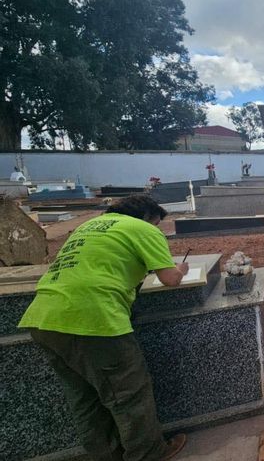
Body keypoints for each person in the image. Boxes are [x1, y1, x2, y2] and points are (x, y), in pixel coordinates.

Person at [18, 194, 190, 461]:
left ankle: (107, 455)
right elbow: (169, 279)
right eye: (156, 224)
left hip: (43, 318)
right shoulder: (143, 229)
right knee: (128, 394)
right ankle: (148, 454)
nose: (157, 229)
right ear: (147, 217)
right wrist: (180, 269)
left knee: (84, 398)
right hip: (94, 320)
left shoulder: (87, 227)